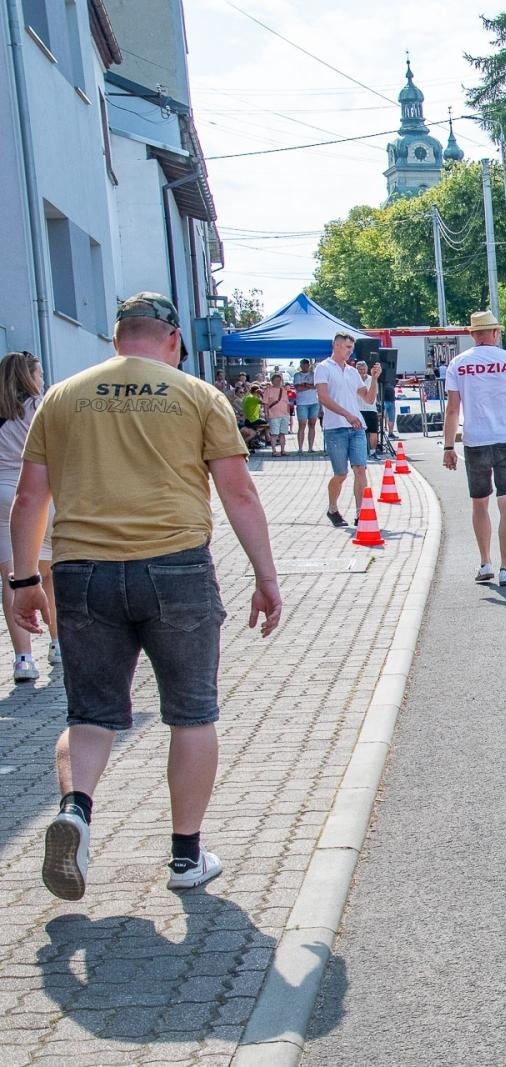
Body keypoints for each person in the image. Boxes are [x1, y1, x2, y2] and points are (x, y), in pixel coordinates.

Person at [8, 293, 281, 900]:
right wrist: (266, 576)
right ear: (173, 342)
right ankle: (186, 857)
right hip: (176, 569)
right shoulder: (196, 395)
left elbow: (29, 500)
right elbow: (240, 494)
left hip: (83, 573)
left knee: (90, 714)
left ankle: (76, 811)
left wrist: (25, 579)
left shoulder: (62, 397)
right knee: (192, 714)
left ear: (116, 340)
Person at [441, 310, 506, 587]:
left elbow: (452, 409)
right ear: (495, 333)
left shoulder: (458, 364)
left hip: (475, 441)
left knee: (480, 502)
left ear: (473, 335)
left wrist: (449, 446)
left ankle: (485, 563)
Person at [0, 351, 58, 682]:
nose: (42, 380)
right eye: (39, 373)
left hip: (0, 492)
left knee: (13, 577)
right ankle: (56, 643)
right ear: (28, 376)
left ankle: (23, 659)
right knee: (48, 574)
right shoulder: (39, 407)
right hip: (37, 492)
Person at [315, 333, 372, 527]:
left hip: (356, 427)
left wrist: (377, 380)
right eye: (347, 347)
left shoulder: (352, 371)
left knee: (360, 469)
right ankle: (332, 508)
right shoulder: (323, 368)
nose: (350, 351)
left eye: (351, 348)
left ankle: (360, 512)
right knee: (341, 474)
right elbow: (323, 397)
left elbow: (368, 398)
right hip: (335, 427)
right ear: (337, 345)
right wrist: (346, 414)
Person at [292, 358, 320, 453]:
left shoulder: (313, 375)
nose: (305, 366)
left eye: (306, 365)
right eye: (303, 365)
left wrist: (306, 385)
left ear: (308, 365)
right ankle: (300, 448)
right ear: (301, 366)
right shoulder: (297, 375)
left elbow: (316, 386)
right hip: (302, 403)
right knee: (302, 425)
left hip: (314, 402)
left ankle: (310, 447)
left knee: (312, 424)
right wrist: (309, 386)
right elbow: (298, 388)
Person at [262, 373, 291, 457]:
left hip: (284, 415)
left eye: (280, 380)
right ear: (272, 381)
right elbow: (265, 404)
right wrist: (266, 414)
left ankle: (283, 450)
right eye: (276, 380)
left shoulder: (284, 390)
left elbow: (287, 403)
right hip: (273, 415)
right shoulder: (268, 390)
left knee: (283, 433)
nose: (278, 382)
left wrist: (288, 413)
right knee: (274, 434)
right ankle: (274, 451)